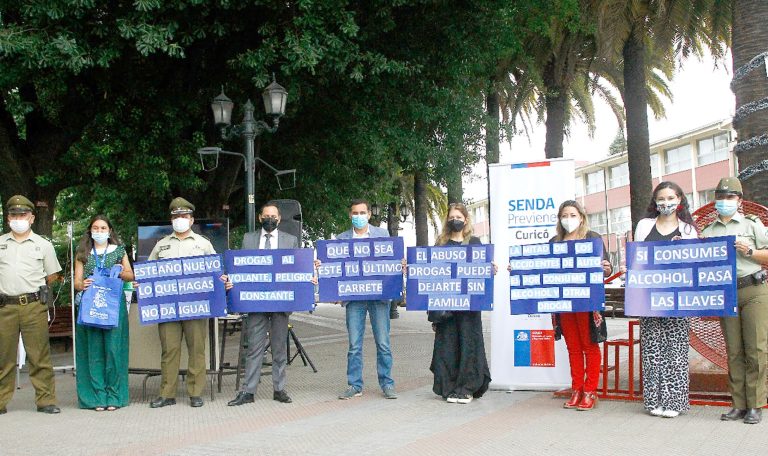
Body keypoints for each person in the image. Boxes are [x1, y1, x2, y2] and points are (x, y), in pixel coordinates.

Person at [147, 197, 231, 408]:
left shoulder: (203, 244)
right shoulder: (161, 245)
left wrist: (223, 280)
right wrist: (144, 284)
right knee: (169, 351)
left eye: (184, 216)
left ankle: (195, 392)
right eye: (176, 216)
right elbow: (149, 273)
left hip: (197, 306)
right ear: (171, 220)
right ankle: (167, 394)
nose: (180, 219)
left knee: (197, 350)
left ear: (192, 220)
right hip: (168, 308)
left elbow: (216, 272)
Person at [702, 177, 768, 425]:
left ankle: (755, 404)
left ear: (739, 201)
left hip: (754, 289)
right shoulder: (708, 232)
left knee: (757, 349)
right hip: (726, 292)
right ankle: (738, 404)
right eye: (720, 197)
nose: (724, 201)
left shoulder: (753, 225)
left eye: (730, 197)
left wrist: (749, 251)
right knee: (734, 351)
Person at [635, 181, 698, 418]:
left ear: (680, 199)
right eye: (661, 199)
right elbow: (637, 258)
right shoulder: (644, 226)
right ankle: (654, 401)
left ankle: (675, 402)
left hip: (678, 299)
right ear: (655, 202)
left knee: (676, 350)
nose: (666, 203)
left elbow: (694, 264)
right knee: (652, 349)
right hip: (649, 298)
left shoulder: (688, 230)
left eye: (671, 198)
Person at [542, 200, 612, 411]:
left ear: (581, 217)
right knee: (572, 347)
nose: (569, 219)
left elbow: (607, 269)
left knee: (589, 346)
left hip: (587, 301)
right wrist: (521, 268)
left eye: (573, 215)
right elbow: (543, 269)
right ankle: (577, 389)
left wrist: (605, 268)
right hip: (564, 303)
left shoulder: (593, 239)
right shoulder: (555, 242)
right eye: (565, 215)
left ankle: (590, 391)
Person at [228, 202, 299, 406]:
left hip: (280, 302)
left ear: (279, 219)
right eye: (266, 216)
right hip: (255, 302)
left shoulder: (290, 240)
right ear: (260, 218)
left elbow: (295, 269)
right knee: (254, 348)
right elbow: (241, 267)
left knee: (279, 348)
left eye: (274, 216)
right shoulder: (248, 239)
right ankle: (248, 391)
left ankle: (279, 389)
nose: (270, 219)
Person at [0, 195, 62, 414]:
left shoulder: (43, 245)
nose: (18, 219)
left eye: (23, 215)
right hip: (4, 306)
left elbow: (53, 275)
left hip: (33, 305)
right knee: (3, 356)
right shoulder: (0, 243)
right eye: (14, 215)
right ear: (8, 218)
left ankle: (46, 400)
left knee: (39, 355)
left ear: (32, 218)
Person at [430, 203, 494, 404]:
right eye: (451, 217)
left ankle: (467, 388)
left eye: (458, 216)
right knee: (448, 345)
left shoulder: (475, 242)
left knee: (469, 344)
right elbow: (430, 273)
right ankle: (448, 387)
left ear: (466, 220)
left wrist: (490, 269)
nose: (454, 220)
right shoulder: (440, 245)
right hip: (446, 306)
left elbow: (482, 270)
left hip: (469, 306)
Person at [334, 199, 397, 400]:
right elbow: (336, 266)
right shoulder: (342, 238)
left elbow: (390, 261)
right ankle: (354, 385)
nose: (359, 216)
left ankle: (387, 383)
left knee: (383, 343)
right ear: (349, 215)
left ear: (369, 215)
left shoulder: (383, 234)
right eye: (355, 213)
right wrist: (322, 266)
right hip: (355, 299)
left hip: (379, 297)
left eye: (362, 212)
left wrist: (400, 263)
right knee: (354, 344)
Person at [73, 215, 134, 411]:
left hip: (113, 308)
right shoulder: (82, 252)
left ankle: (115, 396)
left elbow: (130, 275)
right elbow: (76, 281)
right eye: (96, 228)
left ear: (110, 231)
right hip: (89, 308)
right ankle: (96, 397)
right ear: (90, 230)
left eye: (103, 228)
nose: (99, 231)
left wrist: (117, 271)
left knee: (114, 350)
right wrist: (82, 284)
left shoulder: (119, 251)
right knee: (93, 352)